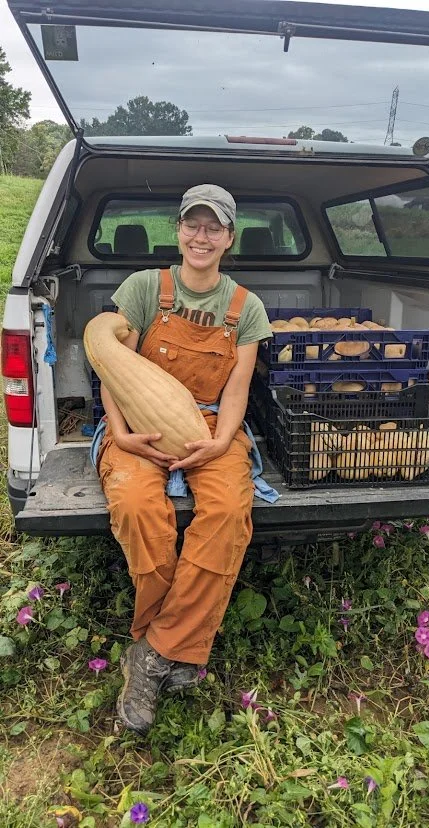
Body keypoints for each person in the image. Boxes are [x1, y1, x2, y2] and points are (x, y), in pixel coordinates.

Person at [95, 184, 272, 735]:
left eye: (213, 227)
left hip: (212, 425)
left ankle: (150, 652)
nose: (201, 236)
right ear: (178, 230)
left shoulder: (246, 307)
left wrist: (223, 441)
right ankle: (176, 644)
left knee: (225, 514)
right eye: (192, 225)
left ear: (229, 238)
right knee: (137, 506)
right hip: (138, 425)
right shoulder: (145, 289)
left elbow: (239, 384)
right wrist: (122, 436)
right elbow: (112, 367)